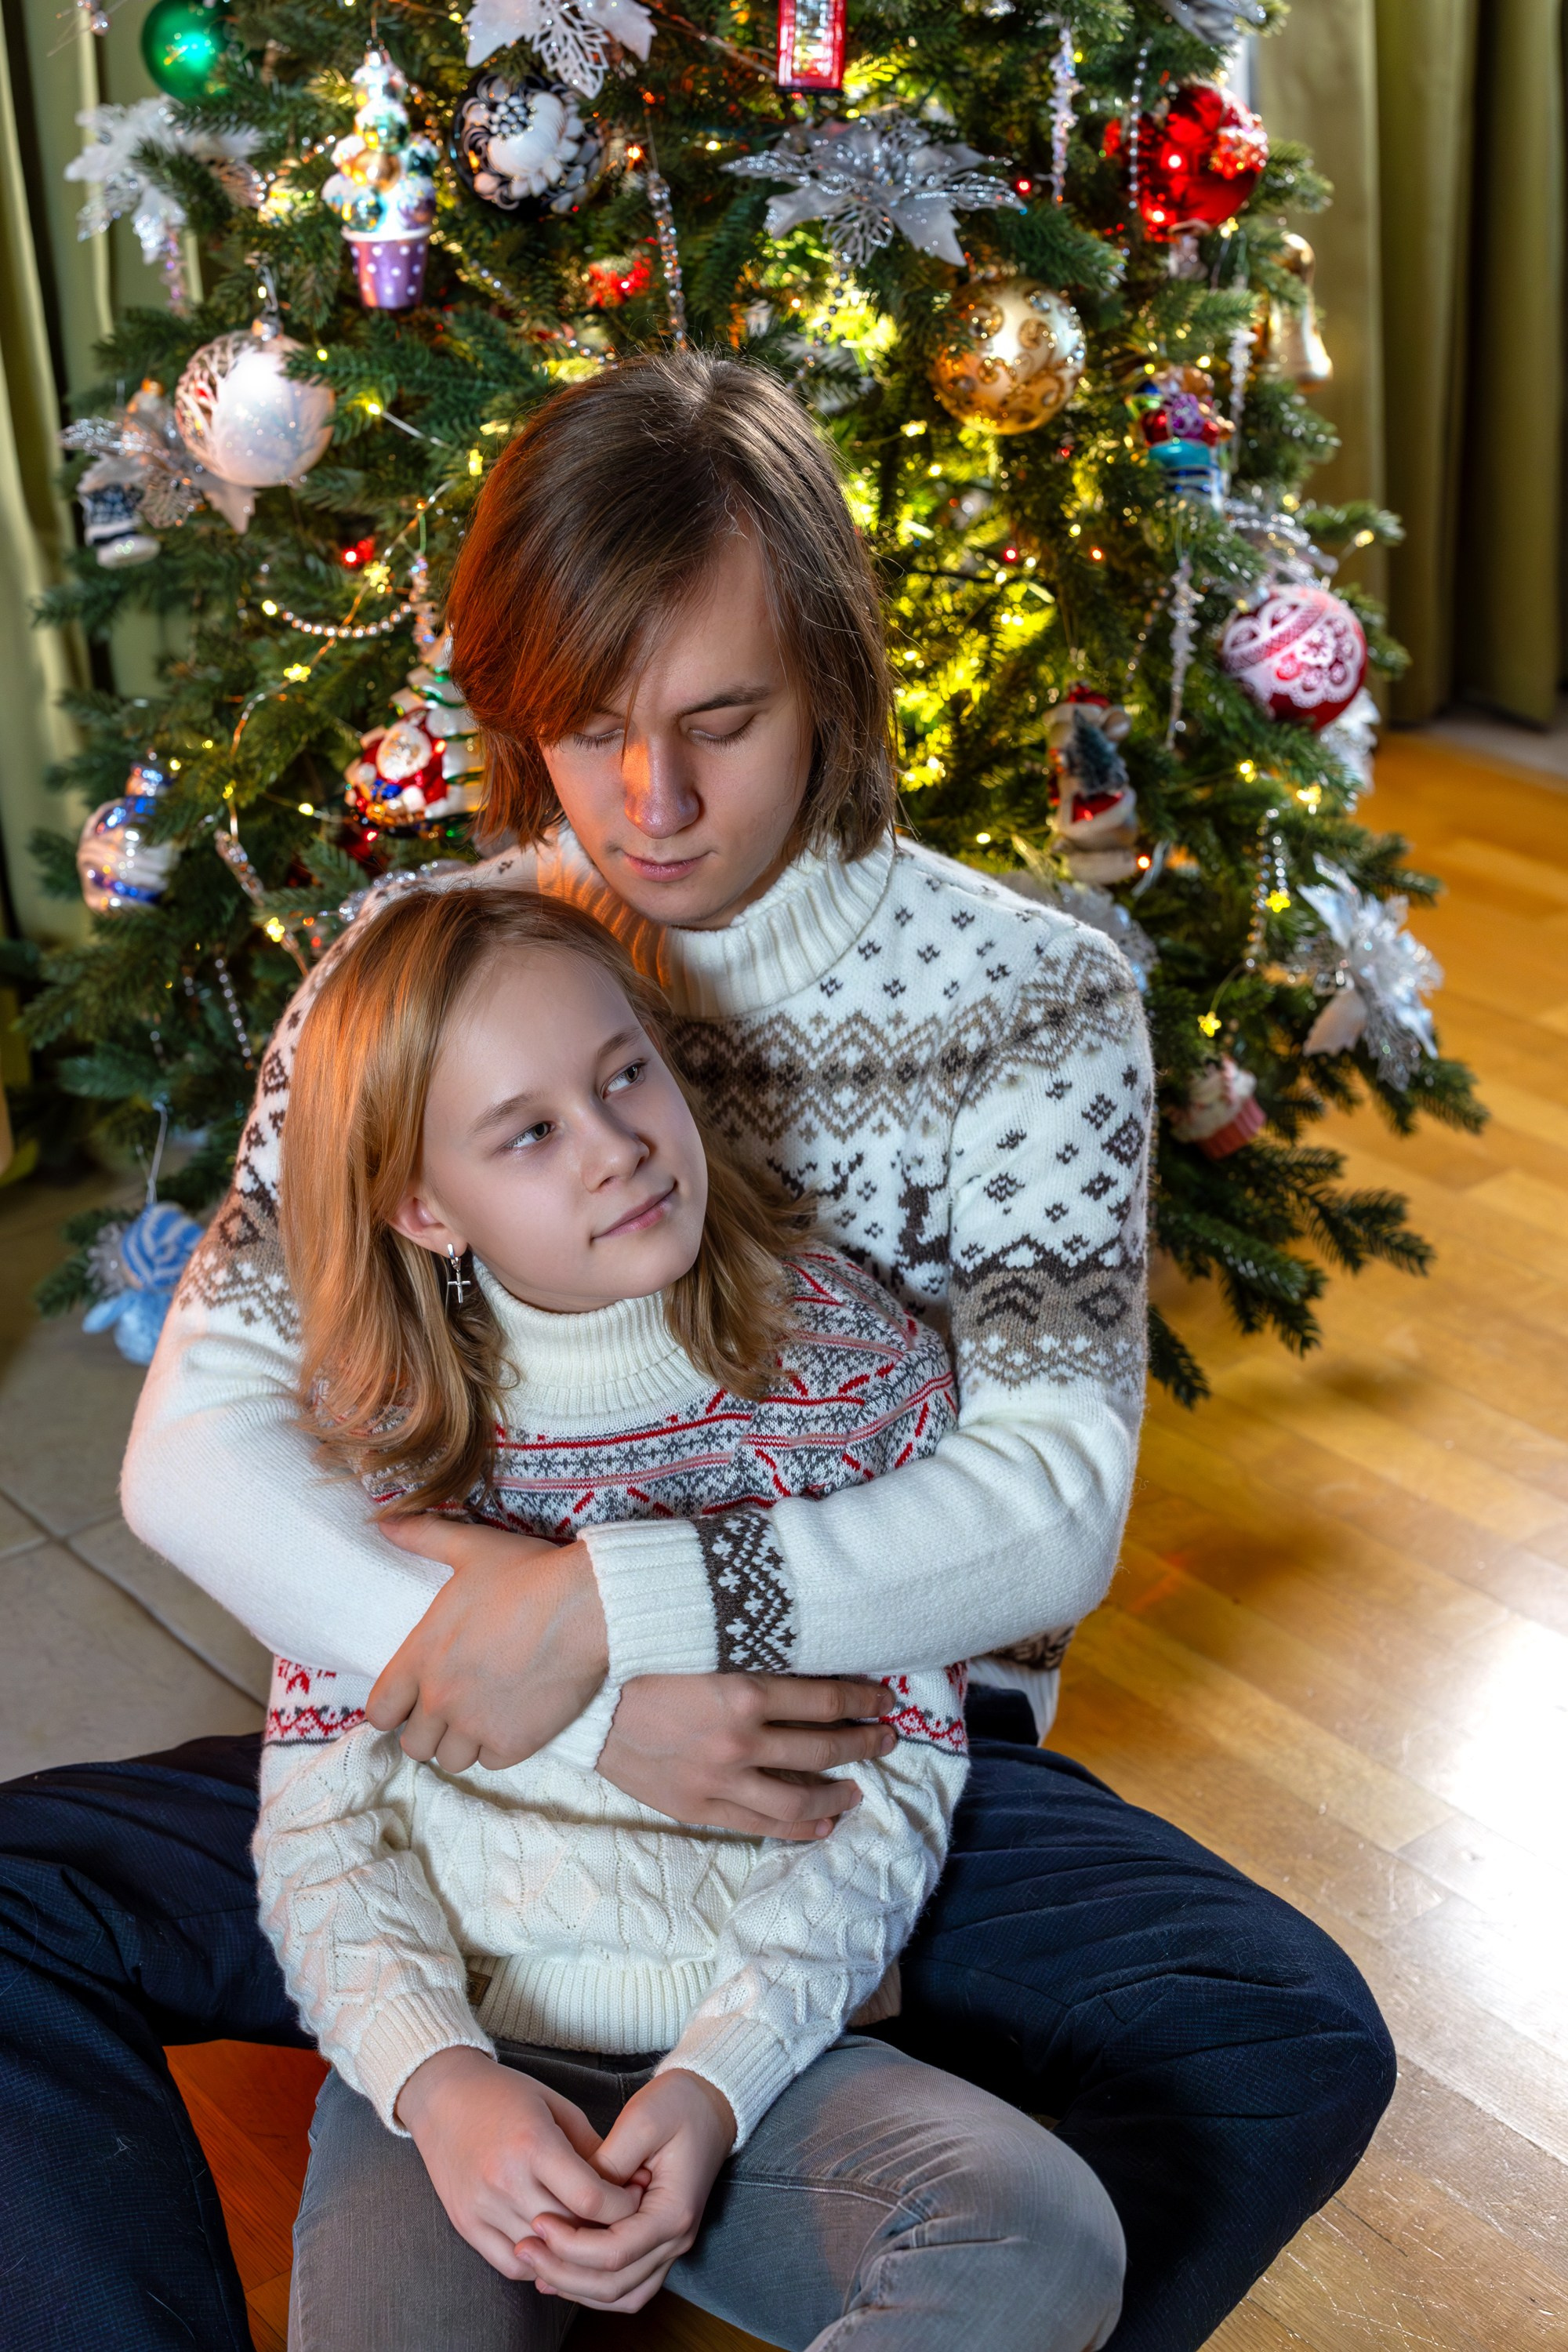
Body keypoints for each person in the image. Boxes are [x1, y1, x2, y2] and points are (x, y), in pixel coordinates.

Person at [0, 352, 1394, 2352]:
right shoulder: (409, 968)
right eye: (582, 731)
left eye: (718, 721)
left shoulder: (1036, 996)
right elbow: (197, 1454)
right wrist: (575, 1702)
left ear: (826, 667)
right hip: (435, 1735)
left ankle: (844, 2241)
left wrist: (617, 1615)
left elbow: (1046, 1509)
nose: (648, 804)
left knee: (1281, 2038)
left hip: (853, 1770)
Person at [256, 878, 1123, 2352]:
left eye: (625, 1077)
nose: (618, 1150)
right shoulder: (381, 1440)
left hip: (767, 2059)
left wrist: (718, 2079)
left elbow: (892, 1778)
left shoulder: (854, 1379)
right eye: (529, 1134)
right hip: (464, 2057)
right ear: (423, 1206)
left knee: (1043, 2238)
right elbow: (322, 1818)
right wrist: (434, 2081)